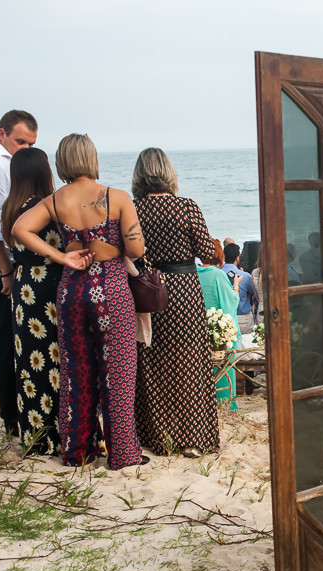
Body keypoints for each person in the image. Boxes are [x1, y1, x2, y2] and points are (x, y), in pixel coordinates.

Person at [13, 133, 145, 469]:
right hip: (111, 291)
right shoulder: (116, 197)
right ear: (92, 159)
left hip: (71, 292)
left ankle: (77, 452)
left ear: (62, 162)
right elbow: (138, 250)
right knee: (118, 372)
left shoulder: (56, 201)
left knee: (76, 372)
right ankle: (123, 455)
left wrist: (60, 256)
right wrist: (112, 248)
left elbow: (20, 229)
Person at [131, 147, 219, 457]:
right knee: (189, 360)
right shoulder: (186, 207)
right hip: (183, 289)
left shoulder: (133, 209)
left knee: (152, 360)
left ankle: (158, 437)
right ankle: (193, 437)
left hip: (146, 289)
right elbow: (207, 252)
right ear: (169, 172)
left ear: (139, 174)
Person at [0, 147, 58, 453]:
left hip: (23, 285)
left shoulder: (11, 206)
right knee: (52, 359)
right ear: (41, 171)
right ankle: (55, 434)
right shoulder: (43, 207)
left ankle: (33, 434)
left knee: (28, 361)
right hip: (46, 282)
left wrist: (6, 273)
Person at [0, 110, 38, 435]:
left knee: (11, 340)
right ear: (2, 133)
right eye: (20, 141)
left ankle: (13, 416)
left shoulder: (6, 164)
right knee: (7, 340)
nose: (24, 149)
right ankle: (11, 419)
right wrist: (6, 271)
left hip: (0, 264)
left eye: (31, 144)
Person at [198, 238, 242, 406]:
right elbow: (230, 301)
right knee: (224, 367)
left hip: (200, 327)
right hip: (219, 328)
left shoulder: (194, 272)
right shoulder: (217, 275)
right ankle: (226, 402)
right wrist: (236, 286)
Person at [222, 243, 257, 333]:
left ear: (224, 256)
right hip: (243, 319)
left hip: (223, 319)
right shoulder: (245, 276)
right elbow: (254, 293)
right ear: (237, 258)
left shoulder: (217, 274)